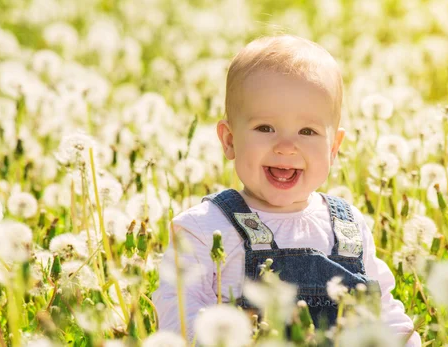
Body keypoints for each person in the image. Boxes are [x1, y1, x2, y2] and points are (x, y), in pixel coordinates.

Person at [152, 34, 421, 346]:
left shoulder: (349, 228)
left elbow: (384, 311)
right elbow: (179, 321)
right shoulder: (203, 228)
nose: (286, 147)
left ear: (333, 149)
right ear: (229, 140)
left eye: (308, 131)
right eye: (265, 128)